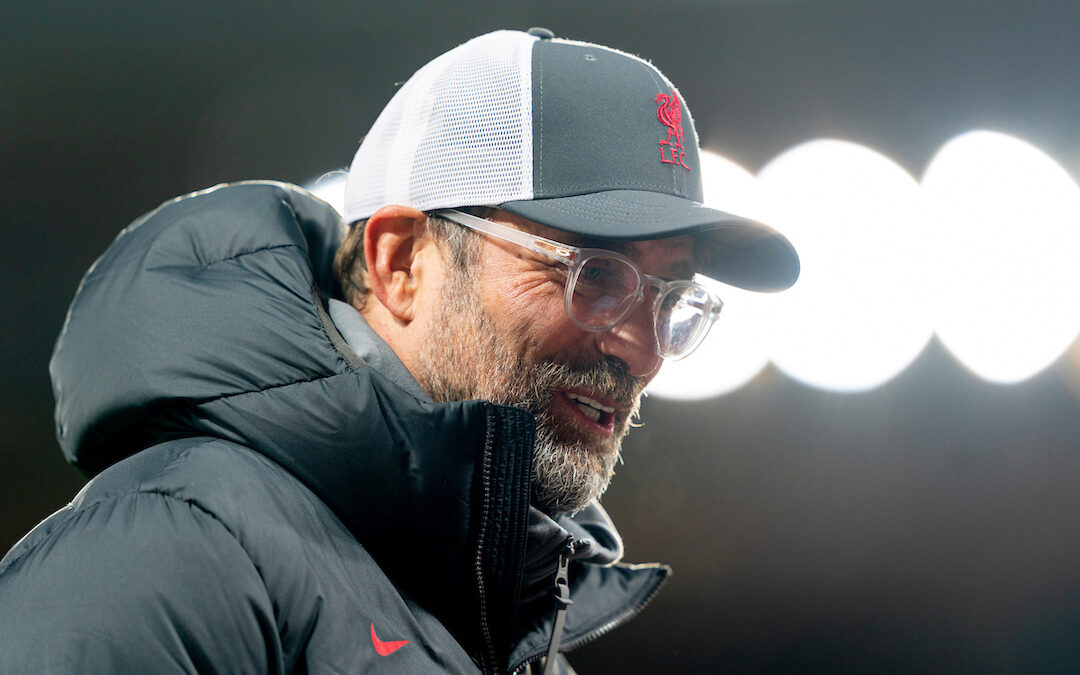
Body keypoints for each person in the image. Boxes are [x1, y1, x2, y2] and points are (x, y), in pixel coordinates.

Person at [0, 29, 798, 674]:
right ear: (402, 264)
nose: (644, 351)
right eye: (595, 275)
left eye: (671, 299)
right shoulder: (167, 562)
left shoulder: (513, 629)